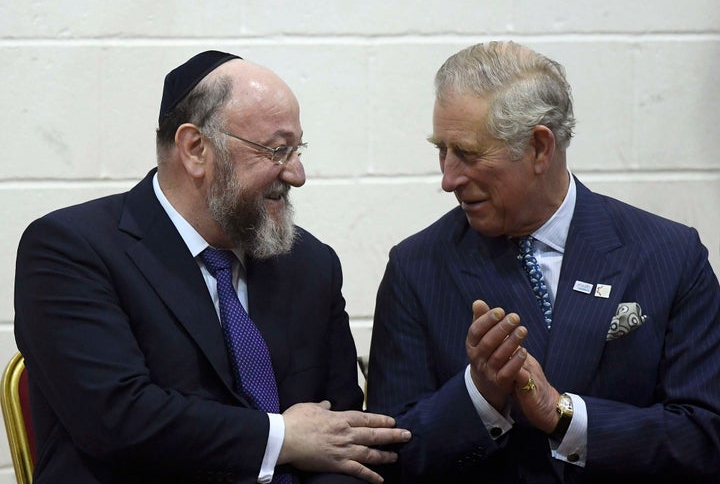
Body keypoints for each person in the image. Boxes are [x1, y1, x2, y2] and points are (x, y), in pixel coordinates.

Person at [14, 50, 411, 484]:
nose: (297, 174)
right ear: (196, 149)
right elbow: (119, 420)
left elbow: (342, 440)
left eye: (297, 150)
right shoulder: (71, 249)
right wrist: (281, 437)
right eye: (277, 151)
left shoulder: (310, 264)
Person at [366, 41, 720, 483]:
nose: (448, 178)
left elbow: (706, 439)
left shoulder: (669, 255)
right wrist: (480, 396)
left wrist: (564, 416)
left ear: (538, 148)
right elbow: (389, 457)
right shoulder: (417, 268)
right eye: (443, 149)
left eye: (469, 154)